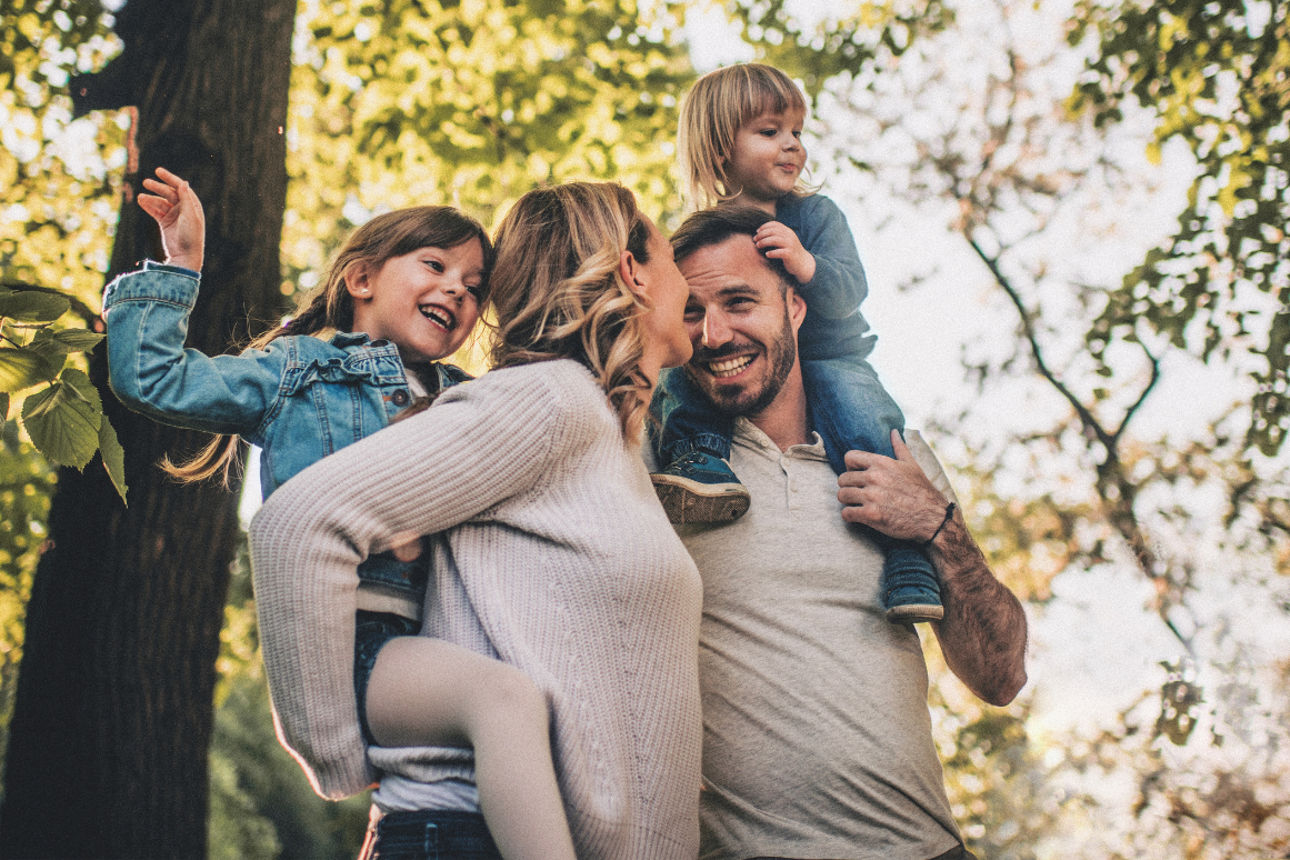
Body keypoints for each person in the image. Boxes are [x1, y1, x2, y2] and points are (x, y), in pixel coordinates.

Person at [103, 168, 580, 859]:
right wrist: (183, 264)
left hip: (441, 632)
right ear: (361, 279)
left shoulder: (468, 396)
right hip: (357, 644)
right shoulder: (301, 370)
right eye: (436, 265)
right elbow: (154, 378)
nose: (457, 290)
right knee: (503, 702)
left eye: (476, 289)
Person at [247, 182, 704, 859]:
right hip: (462, 837)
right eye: (672, 258)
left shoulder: (604, 429)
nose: (688, 287)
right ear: (632, 271)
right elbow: (296, 523)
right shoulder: (548, 400)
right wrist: (334, 748)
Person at [658, 205, 1028, 859]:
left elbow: (1000, 676)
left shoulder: (893, 454)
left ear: (796, 307)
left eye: (740, 302)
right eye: (692, 311)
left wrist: (938, 528)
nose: (714, 334)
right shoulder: (663, 466)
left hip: (926, 849)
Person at [650, 62, 943, 624]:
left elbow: (851, 290)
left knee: (864, 423)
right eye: (770, 132)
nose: (792, 146)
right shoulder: (701, 235)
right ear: (717, 149)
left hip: (829, 357)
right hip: (746, 368)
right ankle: (700, 462)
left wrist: (805, 265)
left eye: (797, 132)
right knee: (677, 376)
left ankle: (907, 559)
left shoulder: (814, 216)